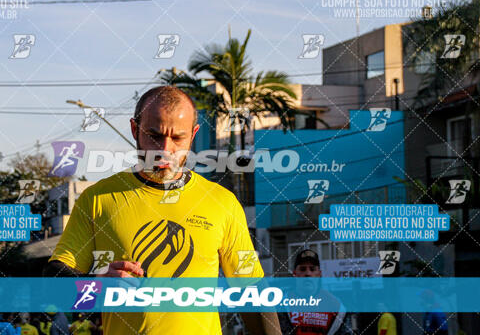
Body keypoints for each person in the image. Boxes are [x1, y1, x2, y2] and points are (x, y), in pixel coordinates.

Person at [45, 86, 281, 334]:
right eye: (154, 135)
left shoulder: (222, 202)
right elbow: (53, 284)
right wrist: (95, 286)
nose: (165, 149)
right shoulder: (98, 199)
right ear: (135, 130)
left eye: (177, 138)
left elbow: (252, 293)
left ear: (193, 135)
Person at [278, 249, 353, 335]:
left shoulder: (335, 306)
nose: (308, 273)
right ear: (295, 274)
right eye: (302, 269)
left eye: (312, 269)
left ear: (319, 274)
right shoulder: (281, 305)